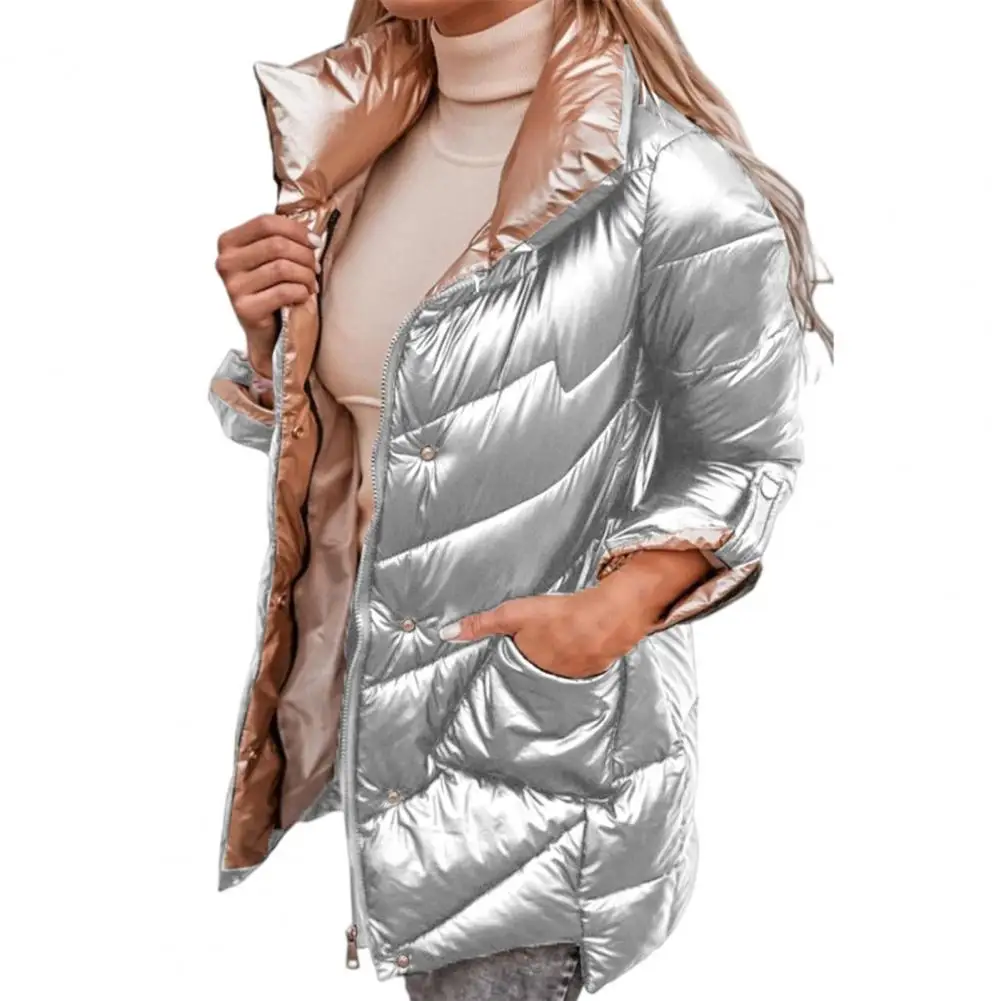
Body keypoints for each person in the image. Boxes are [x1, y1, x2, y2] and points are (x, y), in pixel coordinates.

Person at [207, 1, 832, 998]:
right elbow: (370, 429)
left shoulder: (671, 181)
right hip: (382, 733)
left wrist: (604, 615)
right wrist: (268, 343)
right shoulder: (358, 148)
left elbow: (743, 452)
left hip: (536, 763)